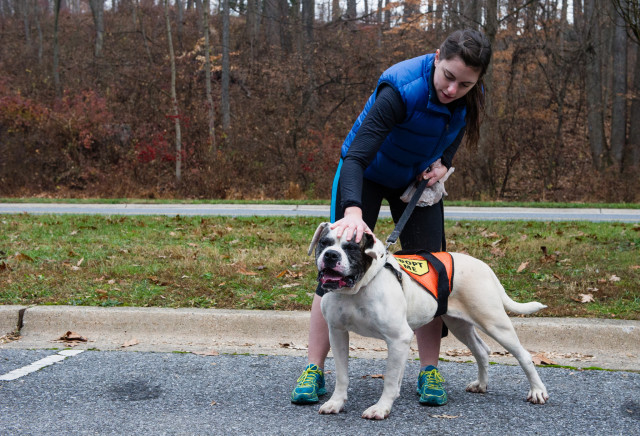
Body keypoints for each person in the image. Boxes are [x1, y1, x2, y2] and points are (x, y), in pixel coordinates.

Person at [291, 29, 492, 407]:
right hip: (362, 174)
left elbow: (457, 129)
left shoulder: (470, 93)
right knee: (335, 269)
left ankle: (429, 370)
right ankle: (314, 369)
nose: (453, 89)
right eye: (448, 76)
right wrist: (352, 211)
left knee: (429, 276)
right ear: (436, 57)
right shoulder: (399, 89)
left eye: (465, 83)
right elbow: (355, 157)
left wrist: (444, 163)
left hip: (413, 180)